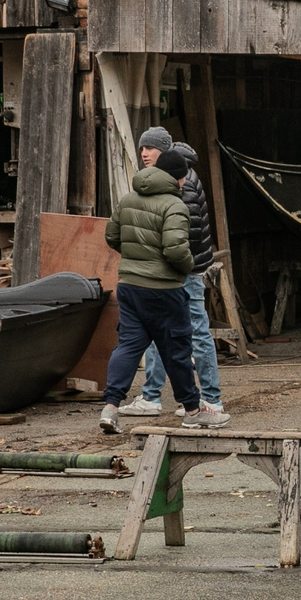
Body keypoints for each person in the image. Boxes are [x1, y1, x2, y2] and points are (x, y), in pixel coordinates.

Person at [99, 133, 223, 435]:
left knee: (128, 347)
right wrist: (187, 268)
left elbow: (111, 236)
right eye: (183, 179)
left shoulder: (128, 199)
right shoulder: (174, 205)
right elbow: (175, 250)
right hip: (164, 290)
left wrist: (135, 259)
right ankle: (194, 409)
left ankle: (111, 407)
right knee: (177, 349)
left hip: (129, 287)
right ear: (177, 178)